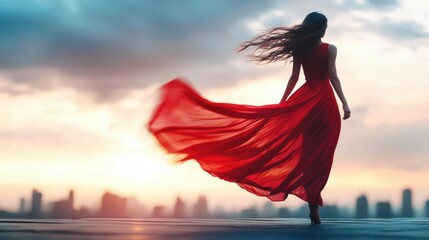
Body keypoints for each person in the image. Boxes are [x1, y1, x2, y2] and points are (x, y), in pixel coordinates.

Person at [148, 12, 350, 224]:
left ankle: (312, 204)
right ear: (323, 29)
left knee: (307, 153)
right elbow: (333, 78)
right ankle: (314, 202)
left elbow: (294, 78)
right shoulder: (330, 50)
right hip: (324, 104)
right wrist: (344, 103)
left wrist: (282, 105)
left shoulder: (300, 49)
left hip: (305, 102)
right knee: (320, 155)